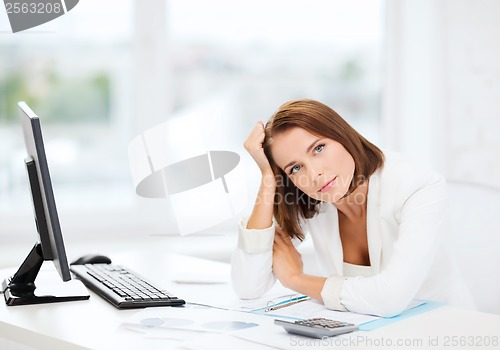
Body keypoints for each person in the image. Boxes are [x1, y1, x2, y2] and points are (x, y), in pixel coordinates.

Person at [231, 98, 473, 317]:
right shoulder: (309, 196)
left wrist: (297, 280)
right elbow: (249, 286)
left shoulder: (417, 186)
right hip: (366, 334)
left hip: (445, 329)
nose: (314, 174)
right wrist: (268, 177)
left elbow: (390, 298)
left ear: (342, 134)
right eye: (295, 168)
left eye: (318, 149)